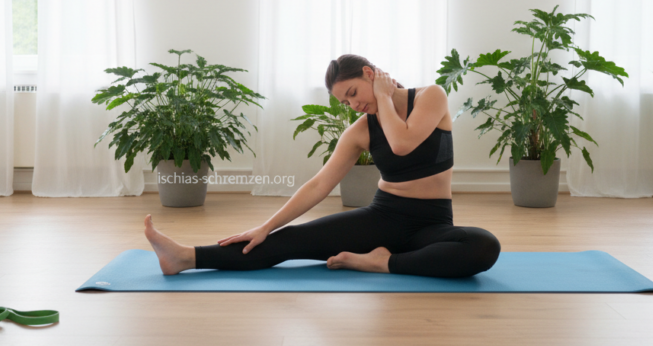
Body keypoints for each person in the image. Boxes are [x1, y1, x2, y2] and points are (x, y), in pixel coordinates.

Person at [143, 54, 501, 278]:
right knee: (291, 241)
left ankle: (380, 263)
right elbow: (318, 185)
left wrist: (382, 99)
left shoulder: (431, 96)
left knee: (483, 246)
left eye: (353, 93)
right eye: (345, 101)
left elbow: (403, 143)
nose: (353, 105)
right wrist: (265, 226)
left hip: (433, 223)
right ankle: (185, 257)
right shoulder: (360, 131)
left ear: (369, 73)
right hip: (383, 218)